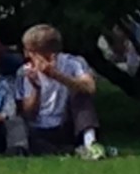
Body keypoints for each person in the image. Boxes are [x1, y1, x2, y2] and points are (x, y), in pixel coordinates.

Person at [17, 24, 104, 158]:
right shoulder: (24, 72)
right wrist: (36, 88)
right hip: (39, 127)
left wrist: (56, 75)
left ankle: (90, 143)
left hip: (66, 122)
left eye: (32, 52)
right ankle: (70, 150)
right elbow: (27, 112)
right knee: (39, 144)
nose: (27, 55)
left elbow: (90, 87)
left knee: (81, 94)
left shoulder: (73, 63)